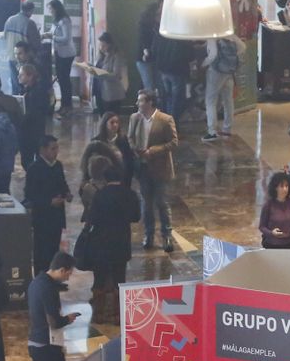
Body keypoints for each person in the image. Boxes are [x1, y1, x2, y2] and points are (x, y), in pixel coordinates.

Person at [80, 160, 141, 325]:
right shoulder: (130, 194)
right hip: (121, 242)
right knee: (119, 278)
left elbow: (92, 218)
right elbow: (136, 217)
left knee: (99, 278)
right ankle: (118, 315)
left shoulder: (100, 195)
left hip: (101, 242)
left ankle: (98, 314)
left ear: (106, 178)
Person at [128, 90, 179, 253]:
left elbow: (173, 142)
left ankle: (166, 235)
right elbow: (130, 137)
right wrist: (135, 149)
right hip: (142, 169)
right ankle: (148, 235)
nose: (137, 104)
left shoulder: (165, 120)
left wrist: (153, 150)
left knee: (162, 203)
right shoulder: (134, 118)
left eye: (141, 101)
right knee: (146, 204)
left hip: (160, 169)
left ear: (150, 102)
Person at [24, 135, 72, 275]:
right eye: (53, 148)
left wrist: (67, 193)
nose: (56, 152)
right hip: (42, 217)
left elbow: (62, 183)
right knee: (42, 250)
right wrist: (48, 202)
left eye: (57, 148)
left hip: (57, 215)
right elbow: (30, 195)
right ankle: (41, 276)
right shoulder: (34, 168)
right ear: (43, 150)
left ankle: (55, 276)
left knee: (56, 248)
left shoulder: (58, 165)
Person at [203, 34, 242, 140]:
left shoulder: (213, 37)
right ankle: (227, 130)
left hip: (216, 72)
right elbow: (243, 47)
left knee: (210, 101)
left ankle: (212, 132)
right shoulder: (229, 35)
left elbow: (212, 55)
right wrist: (229, 59)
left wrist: (203, 64)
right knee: (228, 101)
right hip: (229, 72)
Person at [46, 0, 77, 112]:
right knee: (61, 78)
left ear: (56, 8)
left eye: (51, 9)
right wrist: (46, 35)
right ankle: (65, 104)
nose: (50, 11)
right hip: (59, 53)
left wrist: (52, 37)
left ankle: (67, 105)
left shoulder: (65, 20)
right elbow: (52, 32)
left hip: (66, 54)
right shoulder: (56, 20)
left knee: (64, 79)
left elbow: (66, 38)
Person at [88, 32, 129, 116]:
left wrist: (100, 74)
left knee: (111, 117)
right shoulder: (100, 56)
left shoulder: (116, 56)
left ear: (110, 45)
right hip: (99, 89)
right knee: (102, 116)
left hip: (111, 93)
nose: (101, 48)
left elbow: (116, 75)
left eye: (104, 45)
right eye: (100, 45)